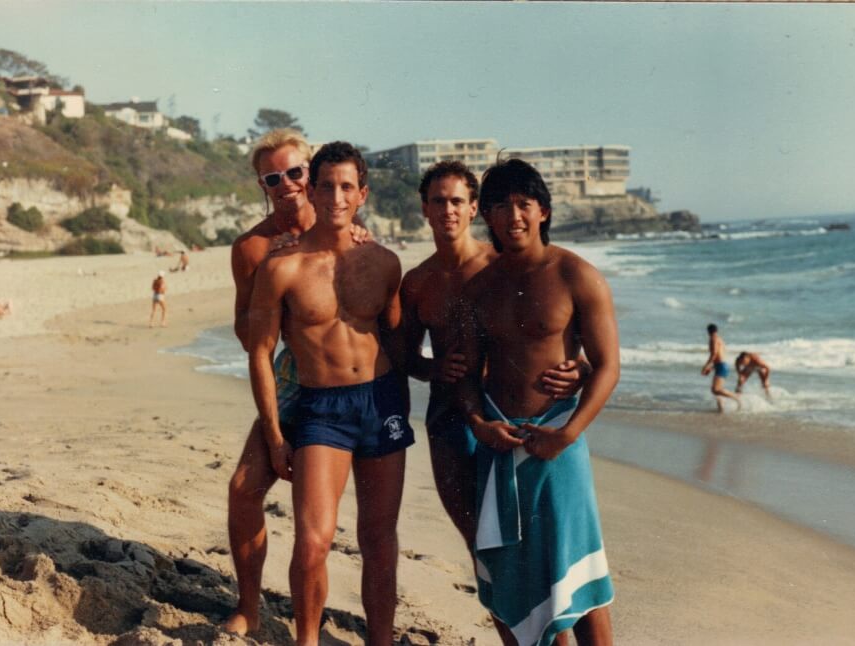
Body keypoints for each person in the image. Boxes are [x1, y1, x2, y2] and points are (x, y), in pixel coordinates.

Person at [248, 141, 411, 645]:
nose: (336, 197)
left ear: (362, 194)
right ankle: (307, 641)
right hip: (322, 409)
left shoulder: (385, 262)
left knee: (379, 541)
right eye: (326, 186)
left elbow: (399, 338)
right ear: (311, 191)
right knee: (314, 541)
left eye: (347, 187)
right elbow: (259, 352)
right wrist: (276, 435)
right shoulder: (282, 267)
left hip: (381, 400)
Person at [457, 159, 617, 646]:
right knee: (514, 573)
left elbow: (607, 366)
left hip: (559, 443)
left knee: (577, 574)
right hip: (500, 444)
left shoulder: (576, 275)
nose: (513, 217)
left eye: (523, 204)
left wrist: (568, 435)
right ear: (486, 214)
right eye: (501, 206)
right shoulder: (479, 288)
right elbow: (466, 374)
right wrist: (479, 423)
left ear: (543, 211)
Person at [400, 161, 589, 550]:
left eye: (456, 201)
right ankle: (497, 613)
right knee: (479, 539)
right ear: (425, 208)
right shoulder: (418, 282)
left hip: (508, 409)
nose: (447, 210)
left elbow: (552, 326)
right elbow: (402, 355)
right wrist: (433, 366)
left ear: (474, 209)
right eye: (438, 201)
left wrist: (582, 367)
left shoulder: (502, 264)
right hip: (450, 415)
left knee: (525, 538)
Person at [224, 129, 368, 636]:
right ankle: (249, 606)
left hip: (349, 384)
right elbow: (249, 338)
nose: (286, 184)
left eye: (294, 172)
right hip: (290, 376)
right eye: (272, 177)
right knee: (244, 489)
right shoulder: (252, 248)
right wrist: (273, 276)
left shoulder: (347, 225)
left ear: (312, 172)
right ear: (261, 184)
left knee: (320, 527)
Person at [701, 323, 741, 412]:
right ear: (716, 330)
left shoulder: (713, 339)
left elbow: (714, 354)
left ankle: (736, 397)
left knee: (716, 389)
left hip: (721, 366)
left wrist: (706, 366)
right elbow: (719, 355)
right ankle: (721, 409)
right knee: (716, 390)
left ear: (708, 331)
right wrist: (712, 367)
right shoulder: (720, 339)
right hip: (721, 365)